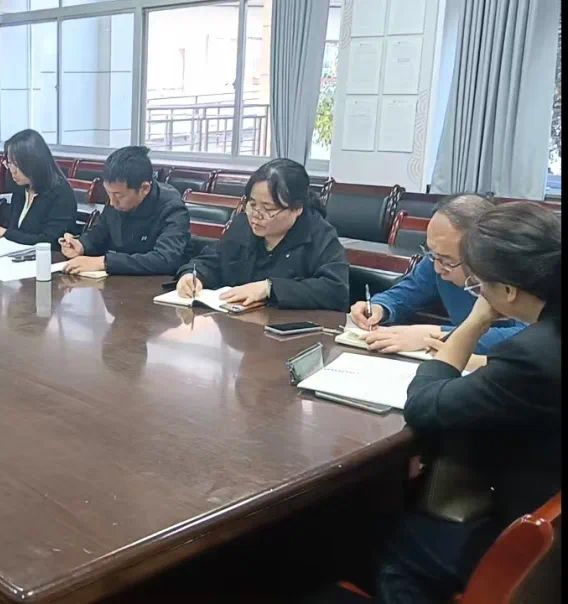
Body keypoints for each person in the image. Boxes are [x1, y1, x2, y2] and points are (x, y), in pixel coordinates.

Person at [376, 203, 561, 603]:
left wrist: (474, 322)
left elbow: (424, 405)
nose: (478, 292)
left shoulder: (533, 356)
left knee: (392, 547)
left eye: (480, 285)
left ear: (508, 291)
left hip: (528, 530)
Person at [348, 194, 524, 354]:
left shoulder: (517, 273)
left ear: (482, 253)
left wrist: (435, 335)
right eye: (432, 254)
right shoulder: (438, 259)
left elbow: (526, 337)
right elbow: (408, 291)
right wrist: (380, 307)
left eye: (447, 261)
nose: (438, 268)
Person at [173, 158, 349, 311]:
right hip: (239, 328)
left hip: (290, 331)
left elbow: (336, 290)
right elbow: (213, 260)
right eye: (252, 204)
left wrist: (268, 288)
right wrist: (192, 275)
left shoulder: (319, 235)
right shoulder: (243, 224)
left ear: (297, 209)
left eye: (268, 209)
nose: (256, 215)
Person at [59, 146, 191, 276]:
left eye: (119, 195)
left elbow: (164, 259)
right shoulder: (116, 197)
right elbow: (99, 233)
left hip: (154, 284)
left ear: (144, 188)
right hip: (116, 282)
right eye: (108, 193)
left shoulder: (172, 207)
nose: (112, 202)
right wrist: (81, 245)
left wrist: (105, 263)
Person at [0, 129, 76, 248]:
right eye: (9, 163)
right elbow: (14, 231)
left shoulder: (61, 194)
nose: (12, 171)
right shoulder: (21, 189)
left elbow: (50, 241)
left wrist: (4, 233)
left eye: (17, 165)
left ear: (34, 163)